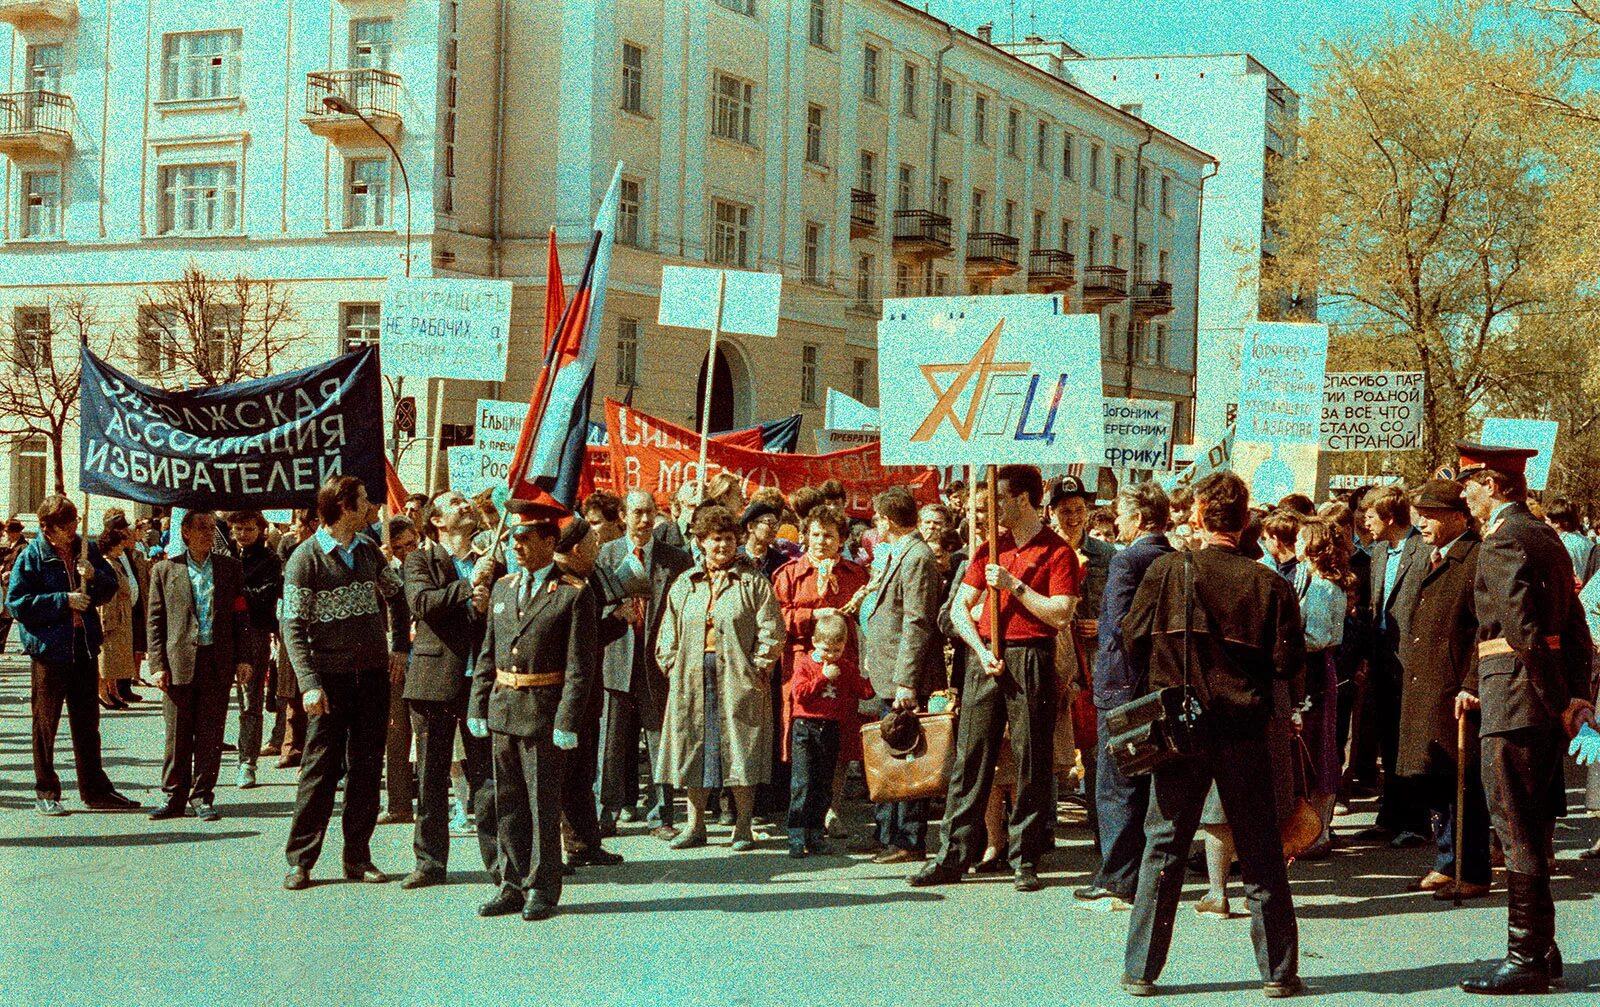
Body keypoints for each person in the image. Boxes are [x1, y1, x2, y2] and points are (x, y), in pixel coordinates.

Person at [1119, 471, 1303, 999]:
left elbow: (1131, 639)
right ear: (1246, 522)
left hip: (1181, 728)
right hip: (1244, 730)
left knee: (1163, 847)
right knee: (1261, 848)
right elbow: (1288, 663)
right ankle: (1278, 972)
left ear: (1197, 515)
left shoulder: (1167, 570)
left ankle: (1140, 970)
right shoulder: (1270, 584)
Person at [1456, 443, 1597, 994]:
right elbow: (1576, 623)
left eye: (1468, 483)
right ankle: (1544, 946)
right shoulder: (1545, 537)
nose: (1464, 494)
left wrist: (1562, 698)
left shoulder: (1504, 540)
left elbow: (1522, 630)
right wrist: (1576, 696)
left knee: (1515, 827)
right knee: (1533, 825)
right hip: (1535, 699)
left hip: (1515, 701)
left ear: (1491, 484)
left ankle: (1525, 959)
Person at [911, 465, 1078, 893]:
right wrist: (981, 650)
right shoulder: (988, 547)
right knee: (970, 755)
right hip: (987, 655)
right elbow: (957, 610)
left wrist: (1014, 586)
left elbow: (1060, 614)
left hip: (1031, 656)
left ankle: (1026, 856)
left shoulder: (1056, 552)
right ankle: (953, 854)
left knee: (1030, 758)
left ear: (1023, 499)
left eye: (999, 499)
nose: (991, 508)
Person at [468, 499, 596, 921]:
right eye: (512, 538)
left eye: (524, 538)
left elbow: (580, 667)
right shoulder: (504, 588)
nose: (515, 545)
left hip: (543, 712)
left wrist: (567, 719)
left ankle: (542, 886)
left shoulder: (573, 594)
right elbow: (488, 654)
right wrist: (478, 705)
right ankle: (511, 882)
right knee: (507, 802)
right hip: (505, 707)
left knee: (542, 802)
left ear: (549, 540)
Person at [281, 476, 404, 891]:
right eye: (365, 500)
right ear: (344, 507)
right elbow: (293, 628)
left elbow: (398, 596)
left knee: (367, 769)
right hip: (328, 681)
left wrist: (399, 647)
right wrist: (309, 684)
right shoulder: (305, 558)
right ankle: (300, 860)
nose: (371, 506)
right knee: (319, 769)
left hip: (371, 676)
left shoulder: (369, 550)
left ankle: (358, 856)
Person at [654, 505, 785, 851]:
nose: (723, 546)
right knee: (694, 745)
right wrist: (671, 665)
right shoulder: (685, 584)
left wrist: (759, 666)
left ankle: (742, 827)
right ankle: (694, 825)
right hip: (692, 677)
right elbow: (668, 632)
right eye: (715, 540)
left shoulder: (753, 581)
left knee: (741, 748)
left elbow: (771, 628)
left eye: (729, 539)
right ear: (700, 542)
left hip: (739, 677)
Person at [1391, 479, 1490, 901]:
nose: (1422, 522)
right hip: (1426, 683)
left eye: (1431, 515)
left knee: (1463, 781)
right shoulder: (1430, 557)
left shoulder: (1475, 559)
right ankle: (1448, 861)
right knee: (1438, 781)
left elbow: (1486, 630)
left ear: (1458, 517)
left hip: (1453, 689)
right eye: (1420, 513)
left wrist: (1470, 683)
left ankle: (1471, 869)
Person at [1076, 481, 1173, 909]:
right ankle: (1139, 872)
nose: (1116, 520)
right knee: (1153, 781)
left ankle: (1117, 878)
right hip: (1162, 681)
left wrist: (1105, 680)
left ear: (1139, 518)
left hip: (1123, 685)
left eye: (1122, 513)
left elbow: (1115, 628)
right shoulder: (1175, 558)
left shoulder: (1126, 560)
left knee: (1116, 784)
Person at [9, 495, 137, 816]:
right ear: (46, 527)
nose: (72, 531)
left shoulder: (85, 549)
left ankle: (95, 790)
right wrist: (61, 600)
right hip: (50, 652)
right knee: (45, 724)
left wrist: (94, 575)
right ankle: (46, 790)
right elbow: (17, 603)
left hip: (83, 648)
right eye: (65, 527)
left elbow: (110, 589)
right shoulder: (32, 556)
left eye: (74, 523)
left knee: (87, 724)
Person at [400, 489, 499, 890]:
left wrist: (489, 597)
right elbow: (422, 603)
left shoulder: (491, 562)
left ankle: (499, 862)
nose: (465, 505)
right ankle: (429, 862)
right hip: (434, 682)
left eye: (465, 501)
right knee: (430, 775)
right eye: (456, 502)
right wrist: (466, 587)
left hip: (479, 682)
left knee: (487, 776)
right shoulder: (420, 560)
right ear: (437, 521)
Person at [597, 489, 694, 840]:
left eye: (650, 512)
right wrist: (613, 613)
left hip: (656, 665)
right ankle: (604, 813)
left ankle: (661, 815)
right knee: (610, 743)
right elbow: (593, 604)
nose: (644, 520)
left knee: (659, 743)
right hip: (616, 661)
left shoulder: (676, 559)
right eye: (637, 512)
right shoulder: (607, 554)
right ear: (623, 515)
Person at [772, 504, 870, 844]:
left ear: (841, 540)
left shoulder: (856, 574)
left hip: (843, 667)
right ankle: (803, 817)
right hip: (803, 664)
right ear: (804, 537)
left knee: (841, 740)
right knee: (803, 739)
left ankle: (832, 809)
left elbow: (866, 617)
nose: (821, 541)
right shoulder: (788, 574)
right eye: (815, 534)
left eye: (829, 535)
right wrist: (815, 615)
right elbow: (777, 617)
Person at [146, 510, 252, 823]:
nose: (209, 533)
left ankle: (203, 796)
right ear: (186, 532)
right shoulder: (166, 570)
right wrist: (157, 665)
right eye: (202, 528)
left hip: (216, 660)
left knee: (210, 732)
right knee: (177, 733)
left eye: (212, 527)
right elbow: (155, 621)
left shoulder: (230, 569)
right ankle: (173, 796)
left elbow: (240, 616)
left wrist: (244, 658)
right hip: (179, 662)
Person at [863, 486, 946, 864]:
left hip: (905, 677)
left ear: (888, 521)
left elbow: (917, 621)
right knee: (893, 752)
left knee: (909, 754)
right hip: (889, 671)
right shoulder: (900, 553)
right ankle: (890, 834)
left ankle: (909, 838)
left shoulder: (917, 557)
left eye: (878, 519)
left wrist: (907, 680)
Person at [1359, 485, 1429, 847]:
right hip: (1382, 656)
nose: (1365, 522)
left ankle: (1415, 821)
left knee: (1409, 741)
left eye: (1370, 516)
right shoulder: (1379, 552)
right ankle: (1389, 816)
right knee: (1387, 738)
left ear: (1388, 517)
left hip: (1412, 659)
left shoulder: (1423, 550)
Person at [552, 516, 624, 868]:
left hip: (587, 694)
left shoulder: (586, 579)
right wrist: (619, 621)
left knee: (581, 774)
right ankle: (552, 852)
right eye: (594, 543)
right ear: (578, 547)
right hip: (565, 695)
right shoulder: (561, 585)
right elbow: (580, 641)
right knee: (559, 776)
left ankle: (583, 842)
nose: (599, 549)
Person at [1049, 474, 1115, 831]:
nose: (1072, 517)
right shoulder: (1043, 551)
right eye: (1064, 510)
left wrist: (1104, 625)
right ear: (1051, 512)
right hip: (1054, 662)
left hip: (1092, 664)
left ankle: (1100, 829)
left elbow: (1125, 608)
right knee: (1048, 747)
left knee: (1094, 749)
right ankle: (1043, 832)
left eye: (1078, 510)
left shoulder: (1105, 555)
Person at [1291, 516, 1357, 858]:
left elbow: (1316, 638)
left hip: (1314, 670)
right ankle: (1316, 830)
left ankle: (1317, 832)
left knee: (1317, 749)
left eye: (1302, 539)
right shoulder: (1316, 582)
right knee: (1318, 747)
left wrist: (1285, 642)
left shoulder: (1321, 587)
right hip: (1319, 669)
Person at [786, 612, 872, 857]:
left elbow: (865, 691)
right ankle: (795, 834)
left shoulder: (845, 666)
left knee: (823, 784)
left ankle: (815, 834)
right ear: (815, 642)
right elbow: (800, 695)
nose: (832, 655)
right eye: (826, 649)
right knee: (802, 782)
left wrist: (870, 671)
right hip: (806, 727)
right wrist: (823, 678)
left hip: (831, 728)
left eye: (837, 649)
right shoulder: (805, 664)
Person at [228, 511, 282, 790]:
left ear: (261, 530)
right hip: (222, 633)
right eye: (238, 528)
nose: (243, 534)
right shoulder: (224, 555)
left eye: (248, 529)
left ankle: (247, 762)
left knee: (250, 701)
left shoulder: (271, 560)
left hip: (255, 633)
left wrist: (234, 593)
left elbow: (266, 595)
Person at [377, 516, 420, 826]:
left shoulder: (428, 565)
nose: (406, 552)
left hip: (424, 659)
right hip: (393, 658)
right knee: (396, 730)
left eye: (411, 545)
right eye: (399, 548)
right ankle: (399, 803)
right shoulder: (381, 570)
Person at [271, 508, 319, 769]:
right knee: (291, 689)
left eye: (298, 524)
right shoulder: (288, 547)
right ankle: (290, 746)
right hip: (291, 623)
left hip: (316, 627)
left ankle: (308, 752)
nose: (293, 529)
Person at [102, 513, 150, 704]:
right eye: (122, 528)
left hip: (134, 604)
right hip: (117, 608)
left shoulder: (128, 551)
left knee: (130, 646)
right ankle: (114, 689)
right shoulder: (110, 554)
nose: (126, 532)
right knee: (115, 651)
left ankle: (124, 686)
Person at [95, 528, 138, 711]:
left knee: (113, 660)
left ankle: (113, 692)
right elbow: (107, 596)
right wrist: (106, 621)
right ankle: (102, 693)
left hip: (121, 614)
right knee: (105, 659)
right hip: (111, 616)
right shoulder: (107, 565)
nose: (122, 547)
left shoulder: (115, 562)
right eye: (119, 544)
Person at [1544, 497, 1599, 587]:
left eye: (1547, 520)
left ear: (1557, 523)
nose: (1545, 524)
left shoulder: (1562, 546)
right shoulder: (1587, 541)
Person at [0, 516, 27, 654]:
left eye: (8, 532)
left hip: (14, 585)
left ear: (15, 532)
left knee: (9, 615)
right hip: (5, 585)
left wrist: (12, 573)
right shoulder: (9, 547)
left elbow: (22, 566)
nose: (6, 535)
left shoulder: (23, 547)